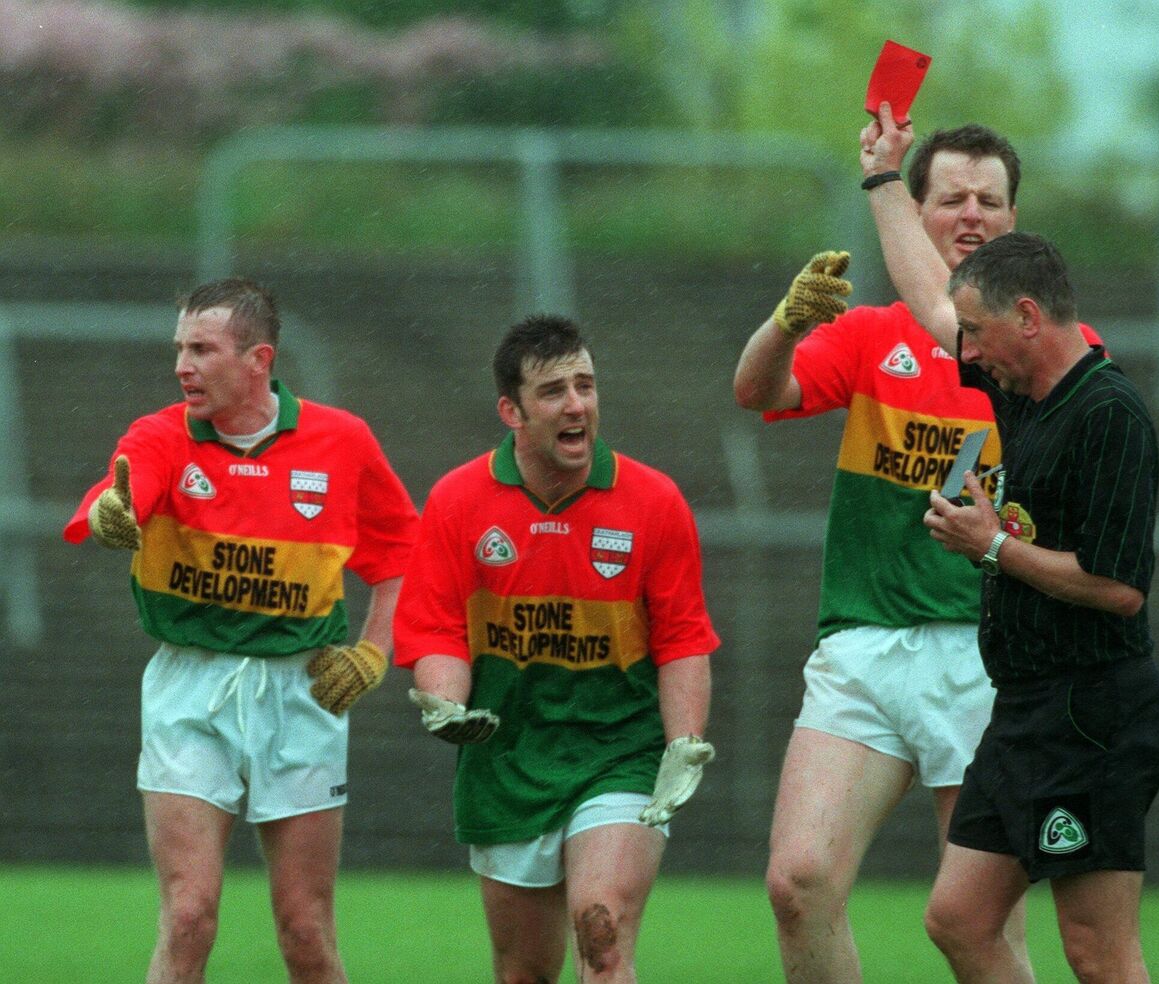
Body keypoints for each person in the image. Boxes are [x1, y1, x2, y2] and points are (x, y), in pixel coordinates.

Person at [733, 112, 1077, 982]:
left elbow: (953, 327)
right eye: (950, 197)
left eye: (990, 201)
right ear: (917, 214)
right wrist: (784, 322)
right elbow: (755, 389)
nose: (971, 214)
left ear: (1016, 221)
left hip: (986, 653)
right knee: (798, 883)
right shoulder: (871, 335)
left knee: (979, 927)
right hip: (864, 644)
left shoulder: (1047, 351)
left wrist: (880, 177)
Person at [63, 277, 420, 984]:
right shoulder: (161, 434)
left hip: (302, 693)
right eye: (179, 349)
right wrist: (114, 510)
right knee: (190, 917)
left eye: (201, 349)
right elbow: (122, 489)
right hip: (190, 690)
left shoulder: (341, 442)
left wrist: (375, 655)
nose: (181, 366)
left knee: (306, 933)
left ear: (259, 359)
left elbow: (405, 555)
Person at [392, 313, 719, 984]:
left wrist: (684, 743)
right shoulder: (456, 501)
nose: (576, 405)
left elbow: (683, 637)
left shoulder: (654, 501)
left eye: (586, 385)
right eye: (553, 392)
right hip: (507, 764)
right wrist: (449, 706)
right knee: (523, 973)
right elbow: (435, 629)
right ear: (511, 411)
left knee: (601, 934)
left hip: (618, 759)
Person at [915, 232, 1159, 983]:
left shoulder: (1109, 413)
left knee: (1097, 952)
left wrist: (990, 546)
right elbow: (933, 299)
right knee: (959, 921)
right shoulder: (1022, 397)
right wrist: (885, 182)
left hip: (1093, 714)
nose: (964, 353)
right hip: (1025, 710)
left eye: (977, 332)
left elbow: (1119, 588)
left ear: (1028, 317)